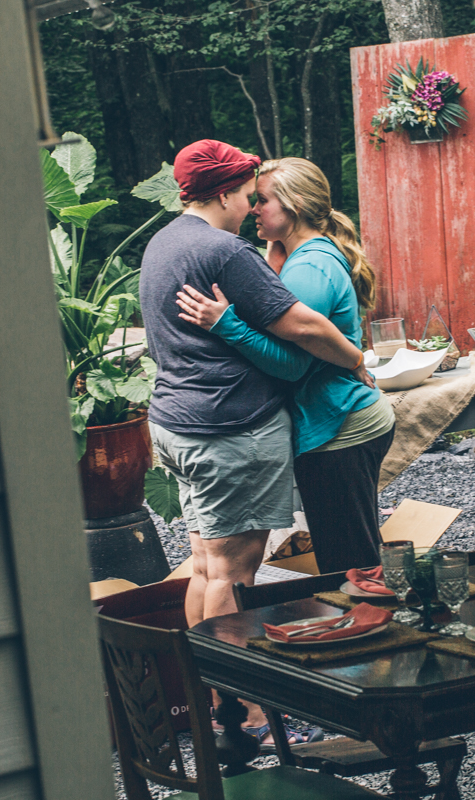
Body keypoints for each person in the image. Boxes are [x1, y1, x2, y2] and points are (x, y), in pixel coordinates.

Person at [139, 141, 369, 633]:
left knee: (204, 567)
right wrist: (353, 357)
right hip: (230, 430)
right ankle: (243, 706)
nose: (250, 207)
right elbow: (303, 329)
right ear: (223, 195)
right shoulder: (225, 251)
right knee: (233, 575)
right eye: (247, 195)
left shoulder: (164, 243)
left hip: (175, 425)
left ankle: (213, 697)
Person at [175, 157, 395, 574]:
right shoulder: (298, 258)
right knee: (352, 549)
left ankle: (372, 630)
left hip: (339, 425)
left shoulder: (310, 266)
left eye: (261, 200)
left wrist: (226, 325)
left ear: (293, 205)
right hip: (337, 419)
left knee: (349, 563)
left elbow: (292, 365)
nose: (252, 209)